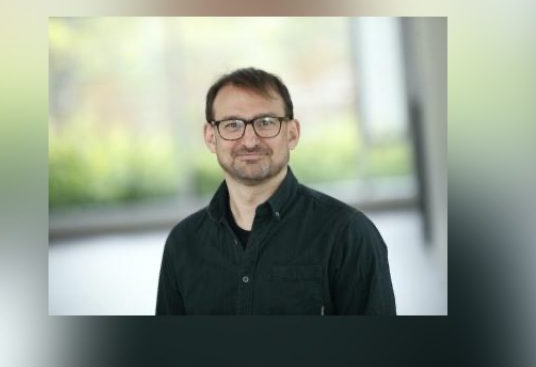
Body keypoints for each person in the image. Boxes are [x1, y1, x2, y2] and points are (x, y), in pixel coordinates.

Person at [155, 68, 396, 315]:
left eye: (266, 123)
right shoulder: (183, 244)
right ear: (210, 137)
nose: (249, 141)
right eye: (232, 125)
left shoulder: (347, 234)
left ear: (292, 133)